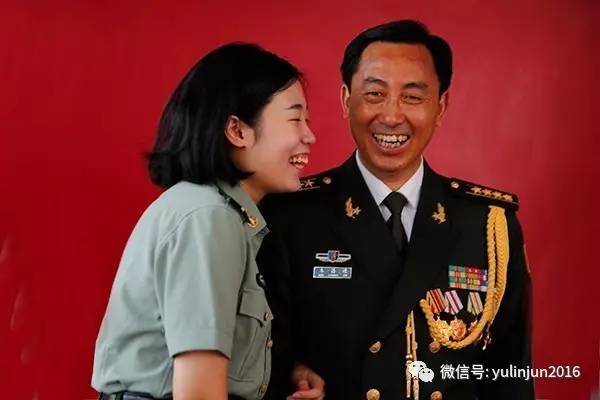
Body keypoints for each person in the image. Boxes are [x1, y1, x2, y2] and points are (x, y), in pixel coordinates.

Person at [258, 20, 534, 400]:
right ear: (346, 100)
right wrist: (291, 373)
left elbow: (509, 375)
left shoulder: (487, 224)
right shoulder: (290, 215)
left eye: (412, 97)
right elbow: (262, 356)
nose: (391, 116)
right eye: (374, 94)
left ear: (441, 107)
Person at [91, 43, 323, 400]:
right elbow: (198, 391)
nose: (309, 135)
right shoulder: (209, 218)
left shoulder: (218, 213)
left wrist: (284, 373)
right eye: (295, 119)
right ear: (237, 131)